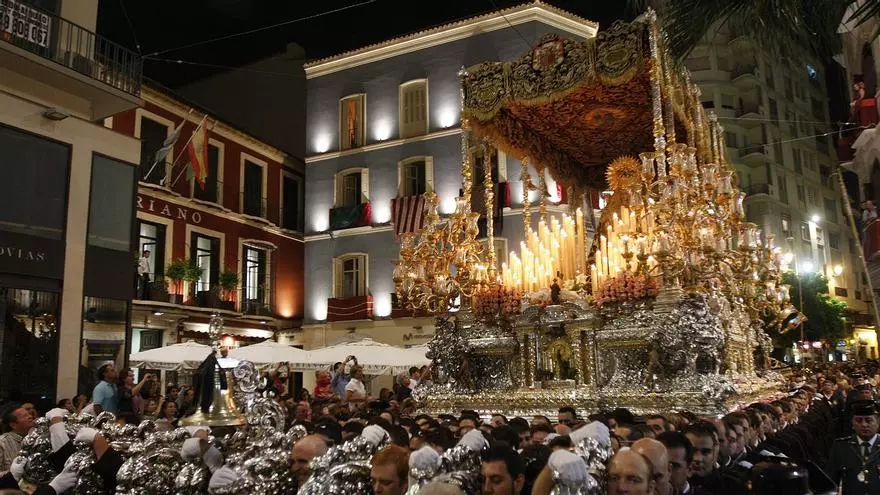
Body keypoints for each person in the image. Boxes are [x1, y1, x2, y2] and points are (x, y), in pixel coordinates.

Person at [826, 400, 880, 494]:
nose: (864, 425)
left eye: (868, 420)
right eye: (859, 420)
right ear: (852, 423)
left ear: (878, 422)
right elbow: (830, 482)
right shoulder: (841, 447)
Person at [0, 406, 34, 474]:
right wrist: (13, 473)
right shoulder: (2, 442)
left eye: (29, 414)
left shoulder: (35, 437)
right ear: (13, 425)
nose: (30, 416)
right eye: (25, 416)